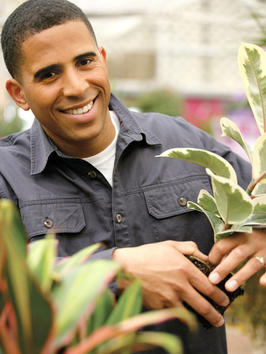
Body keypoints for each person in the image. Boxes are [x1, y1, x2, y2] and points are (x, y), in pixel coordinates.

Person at [0, 0, 265, 353]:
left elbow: (258, 190)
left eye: (84, 62)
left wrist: (260, 229)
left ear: (103, 59)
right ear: (19, 94)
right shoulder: (7, 175)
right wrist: (113, 271)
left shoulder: (182, 142)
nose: (76, 86)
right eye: (49, 74)